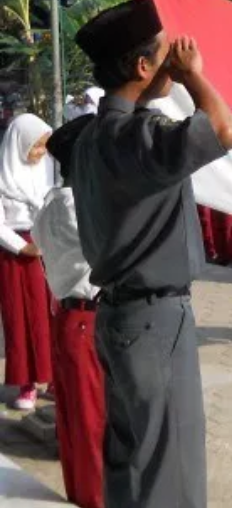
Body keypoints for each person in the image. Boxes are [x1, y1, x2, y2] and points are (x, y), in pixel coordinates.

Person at [71, 0, 232, 507]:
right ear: (143, 66)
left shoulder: (87, 136)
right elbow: (226, 130)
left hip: (119, 318)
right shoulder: (138, 136)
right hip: (156, 321)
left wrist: (165, 79)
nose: (174, 57)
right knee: (173, 476)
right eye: (164, 53)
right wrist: (191, 77)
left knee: (131, 467)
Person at [32, 119, 104, 508]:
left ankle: (83, 494)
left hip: (69, 318)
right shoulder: (77, 208)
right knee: (91, 421)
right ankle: (96, 498)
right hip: (87, 320)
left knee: (77, 420)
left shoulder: (53, 203)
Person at [0, 114, 54, 412]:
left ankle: (54, 378)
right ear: (19, 144)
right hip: (17, 257)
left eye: (44, 146)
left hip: (49, 250)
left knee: (52, 316)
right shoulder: (2, 177)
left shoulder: (44, 172)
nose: (40, 153)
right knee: (22, 319)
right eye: (36, 146)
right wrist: (24, 248)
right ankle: (27, 382)